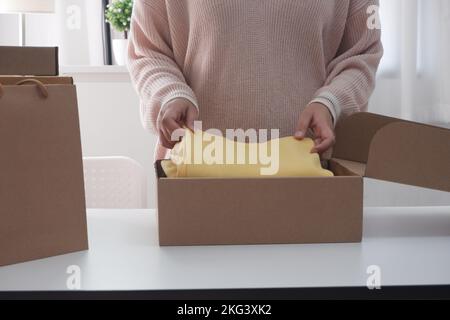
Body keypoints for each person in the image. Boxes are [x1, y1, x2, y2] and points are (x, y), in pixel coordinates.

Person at [127, 0, 383, 160]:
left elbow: (363, 54)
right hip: (196, 171)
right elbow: (148, 51)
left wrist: (331, 103)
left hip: (310, 172)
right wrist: (171, 94)